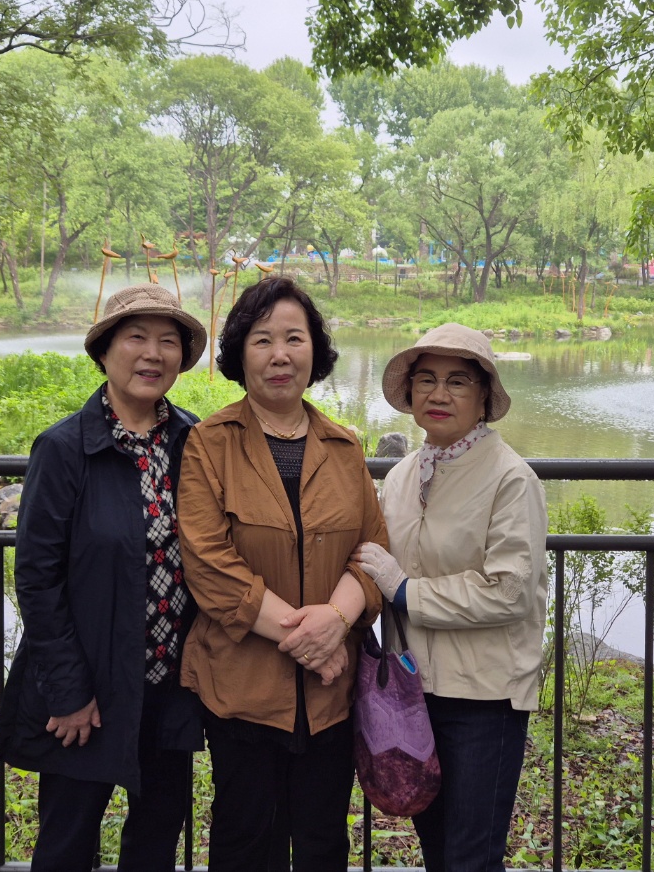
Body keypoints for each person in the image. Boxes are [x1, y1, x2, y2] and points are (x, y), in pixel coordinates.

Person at [176, 277, 388, 871]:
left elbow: (372, 549)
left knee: (323, 842)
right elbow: (209, 565)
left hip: (331, 696)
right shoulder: (209, 443)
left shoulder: (343, 447)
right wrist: (314, 641)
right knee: (247, 840)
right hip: (242, 689)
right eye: (263, 339)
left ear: (314, 352)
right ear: (240, 354)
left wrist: (337, 619)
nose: (280, 355)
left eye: (294, 338)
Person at [0, 284, 208, 872]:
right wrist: (68, 691)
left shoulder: (193, 440)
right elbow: (37, 578)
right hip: (90, 688)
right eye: (136, 337)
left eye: (168, 341)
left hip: (169, 688)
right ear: (105, 351)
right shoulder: (65, 448)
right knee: (67, 842)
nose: (153, 354)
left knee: (157, 839)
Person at [352, 323, 547, 872]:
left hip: (484, 696)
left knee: (471, 856)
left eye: (457, 381)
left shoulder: (511, 479)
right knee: (436, 848)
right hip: (414, 691)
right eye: (427, 380)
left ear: (484, 395)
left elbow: (508, 591)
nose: (439, 394)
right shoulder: (401, 476)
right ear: (411, 391)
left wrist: (405, 591)